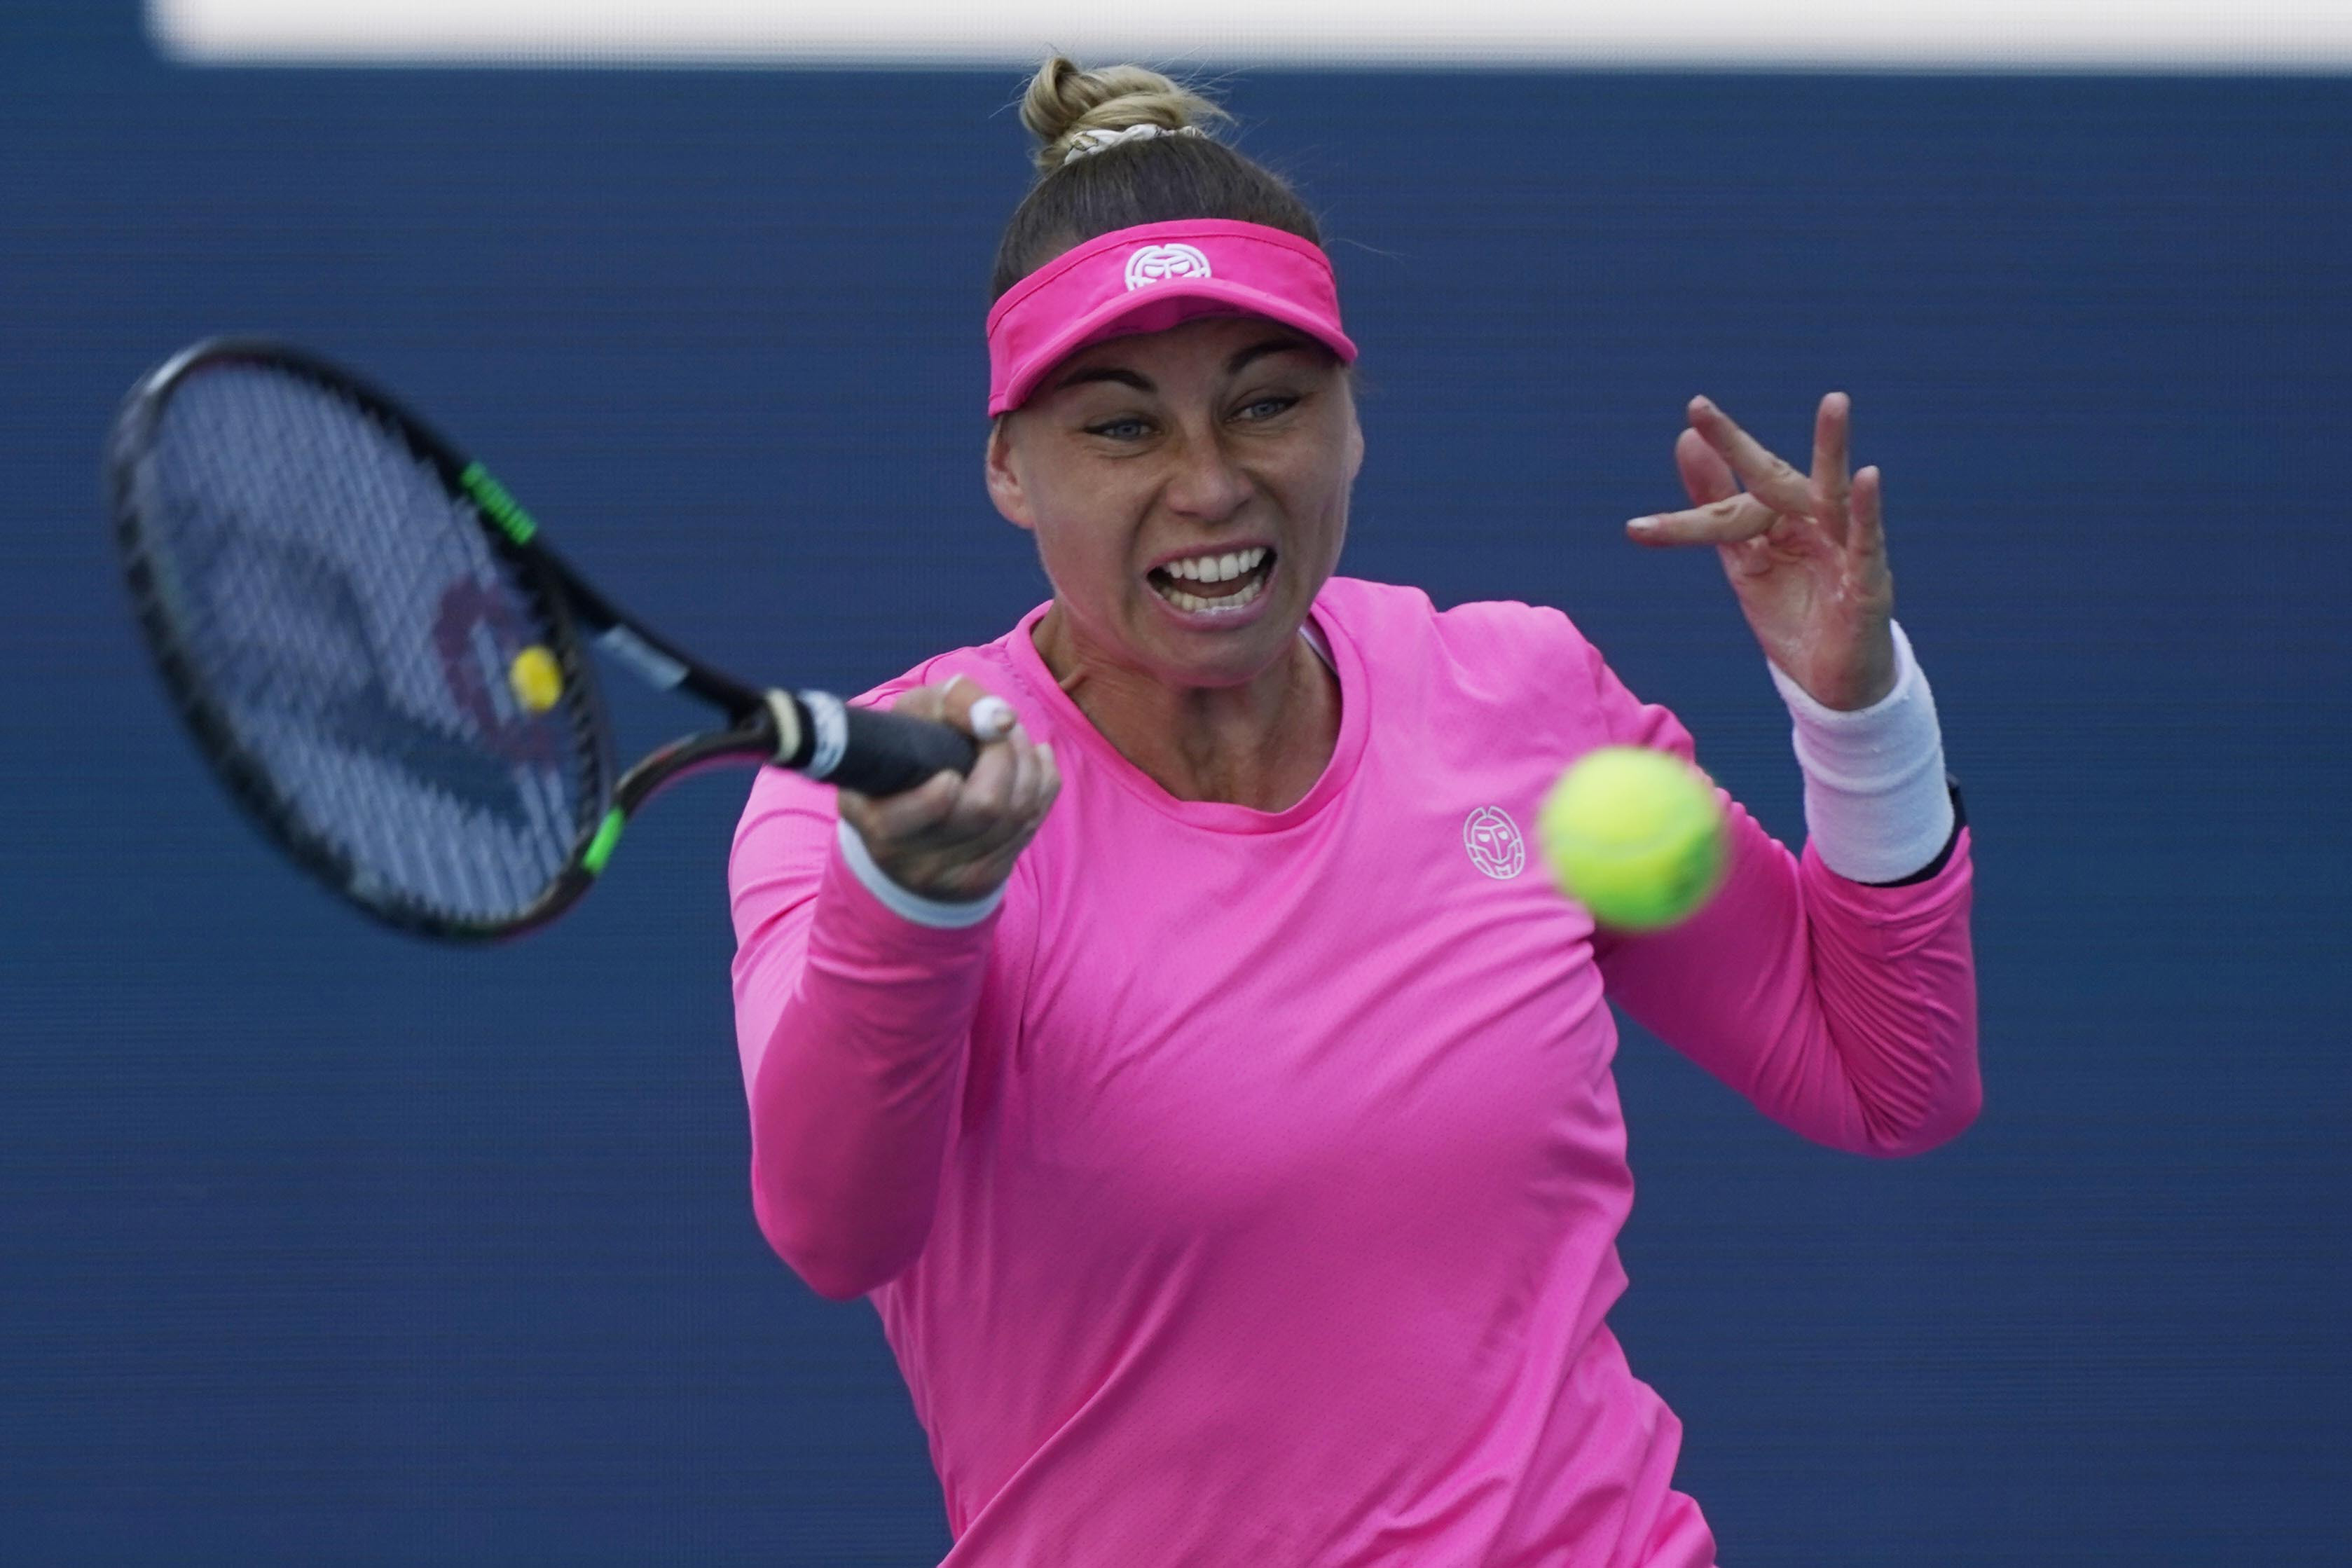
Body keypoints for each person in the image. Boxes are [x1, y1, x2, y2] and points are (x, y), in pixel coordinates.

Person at [727, 56, 1979, 1567]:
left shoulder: (1526, 698)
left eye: (1267, 406)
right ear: (1008, 466)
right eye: (1121, 429)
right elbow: (832, 1230)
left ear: (1351, 425)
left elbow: (1885, 1081)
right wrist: (916, 903)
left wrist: (1856, 711)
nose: (1209, 486)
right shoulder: (872, 806)